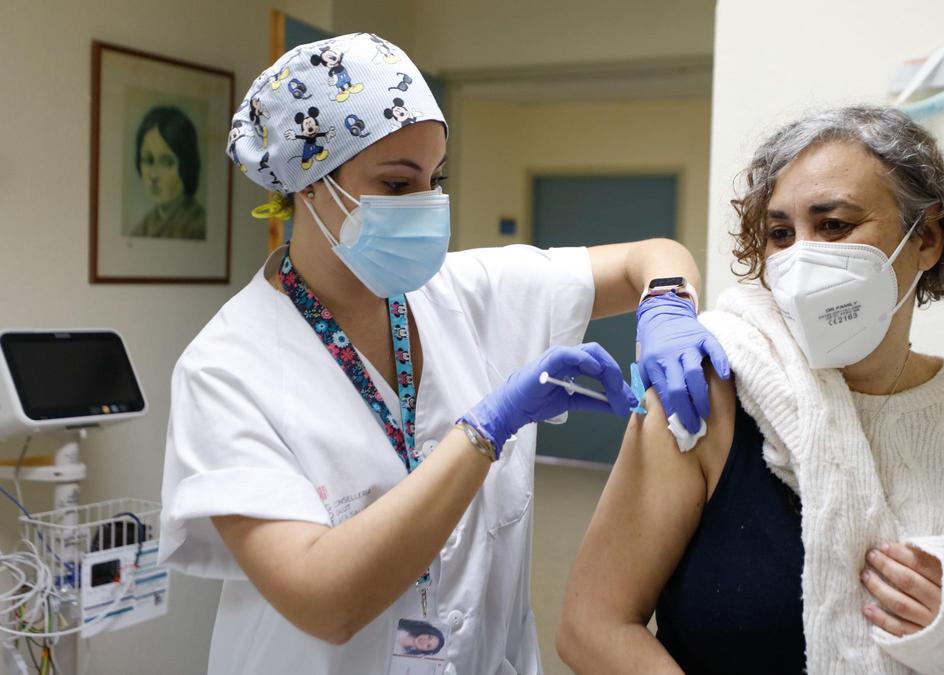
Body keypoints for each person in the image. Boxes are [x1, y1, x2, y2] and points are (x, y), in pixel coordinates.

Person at [158, 33, 727, 675]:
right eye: (399, 185)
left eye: (435, 180)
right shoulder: (227, 369)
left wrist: (668, 304)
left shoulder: (463, 292)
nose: (428, 207)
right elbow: (325, 600)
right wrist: (486, 430)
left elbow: (647, 257)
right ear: (308, 181)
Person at [558, 106, 944, 674]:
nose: (802, 258)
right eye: (779, 234)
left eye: (835, 225)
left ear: (928, 240)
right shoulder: (713, 386)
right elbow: (592, 626)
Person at [129, 106, 206, 240]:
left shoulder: (198, 227)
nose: (153, 175)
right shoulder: (141, 229)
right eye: (148, 160)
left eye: (166, 162)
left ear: (186, 166)